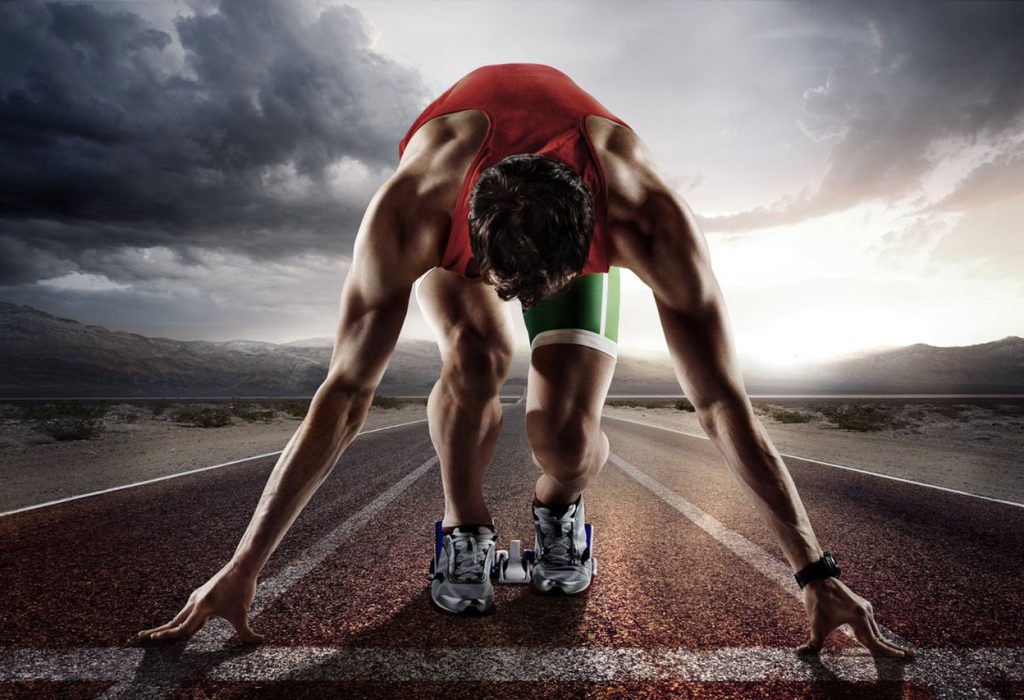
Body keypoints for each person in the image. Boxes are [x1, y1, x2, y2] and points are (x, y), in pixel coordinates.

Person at [138, 63, 914, 658]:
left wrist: (814, 568)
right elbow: (344, 395)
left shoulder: (650, 220)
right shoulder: (411, 211)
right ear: (469, 239)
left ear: (596, 243)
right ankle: (463, 528)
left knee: (564, 439)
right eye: (504, 284)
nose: (517, 300)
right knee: (478, 357)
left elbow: (719, 403)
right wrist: (244, 566)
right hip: (468, 216)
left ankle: (558, 515)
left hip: (563, 228)